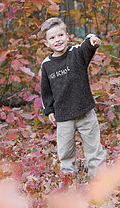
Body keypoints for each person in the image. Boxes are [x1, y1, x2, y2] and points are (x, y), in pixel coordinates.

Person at [38, 17, 106, 179]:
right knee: (66, 152)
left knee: (93, 148)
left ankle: (99, 181)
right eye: (52, 38)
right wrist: (49, 111)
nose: (57, 40)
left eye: (60, 35)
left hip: (85, 111)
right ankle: (68, 180)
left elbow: (87, 46)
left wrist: (92, 40)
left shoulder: (76, 54)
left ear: (67, 36)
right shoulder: (47, 64)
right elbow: (45, 91)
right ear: (46, 43)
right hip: (63, 116)